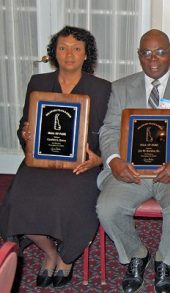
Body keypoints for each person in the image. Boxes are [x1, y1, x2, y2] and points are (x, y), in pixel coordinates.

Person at [0, 26, 111, 288]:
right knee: (18, 201)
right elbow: (24, 124)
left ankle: (67, 256)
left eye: (76, 49)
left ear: (86, 55)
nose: (69, 54)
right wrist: (26, 133)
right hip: (40, 161)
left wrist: (99, 159)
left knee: (68, 200)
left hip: (82, 163)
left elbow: (109, 133)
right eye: (62, 48)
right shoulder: (38, 83)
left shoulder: (102, 88)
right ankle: (51, 253)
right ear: (54, 52)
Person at [96, 29, 170, 293]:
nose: (154, 59)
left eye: (161, 52)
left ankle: (165, 259)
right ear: (139, 56)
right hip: (131, 171)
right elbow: (109, 130)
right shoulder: (120, 87)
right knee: (107, 207)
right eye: (147, 52)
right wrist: (115, 160)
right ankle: (136, 254)